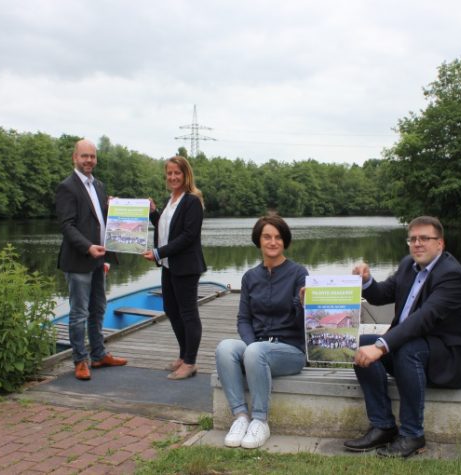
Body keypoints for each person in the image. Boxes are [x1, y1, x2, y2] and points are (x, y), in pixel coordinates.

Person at [343, 216, 461, 458]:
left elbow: (422, 319)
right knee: (359, 344)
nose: (417, 244)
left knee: (407, 348)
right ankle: (383, 425)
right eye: (413, 239)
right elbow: (382, 294)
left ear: (440, 244)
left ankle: (412, 434)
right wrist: (366, 281)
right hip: (416, 348)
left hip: (449, 359)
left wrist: (382, 346)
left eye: (425, 238)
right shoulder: (409, 265)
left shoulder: (452, 276)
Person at [215, 215, 309, 449]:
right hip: (257, 349)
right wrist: (249, 347)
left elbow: (304, 325)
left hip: (291, 350)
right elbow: (243, 319)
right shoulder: (250, 277)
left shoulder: (298, 273)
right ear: (259, 240)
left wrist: (302, 304)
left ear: (284, 242)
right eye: (267, 236)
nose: (273, 242)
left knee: (256, 351)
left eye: (278, 237)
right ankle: (240, 418)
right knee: (225, 348)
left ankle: (260, 420)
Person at [55, 139, 128, 381]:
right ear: (75, 158)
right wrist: (88, 247)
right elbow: (67, 225)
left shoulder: (99, 185)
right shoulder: (67, 187)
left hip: (99, 259)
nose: (89, 160)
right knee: (79, 313)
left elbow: (102, 221)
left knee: (98, 308)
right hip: (78, 260)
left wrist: (114, 209)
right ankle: (80, 360)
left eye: (92, 156)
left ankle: (98, 354)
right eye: (84, 156)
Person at [143, 155, 207, 380]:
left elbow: (188, 236)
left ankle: (190, 362)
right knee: (172, 310)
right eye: (169, 173)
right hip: (170, 266)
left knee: (188, 314)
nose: (172, 177)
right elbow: (166, 227)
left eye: (177, 173)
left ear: (185, 174)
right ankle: (183, 356)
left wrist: (159, 253)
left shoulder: (192, 200)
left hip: (186, 266)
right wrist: (153, 213)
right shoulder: (172, 200)